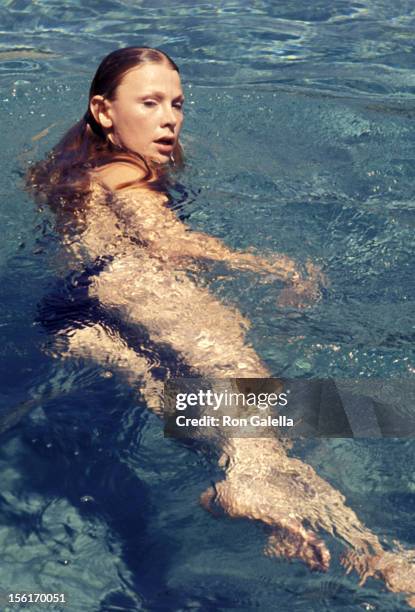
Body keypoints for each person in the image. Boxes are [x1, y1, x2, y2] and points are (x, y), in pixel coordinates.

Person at [26, 46, 415, 607]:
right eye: (151, 102)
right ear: (104, 110)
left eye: (177, 104)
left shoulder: (71, 166)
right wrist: (273, 265)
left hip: (69, 317)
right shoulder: (129, 171)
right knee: (252, 392)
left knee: (191, 406)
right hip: (128, 282)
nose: (169, 118)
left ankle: (365, 551)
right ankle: (334, 530)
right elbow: (166, 240)